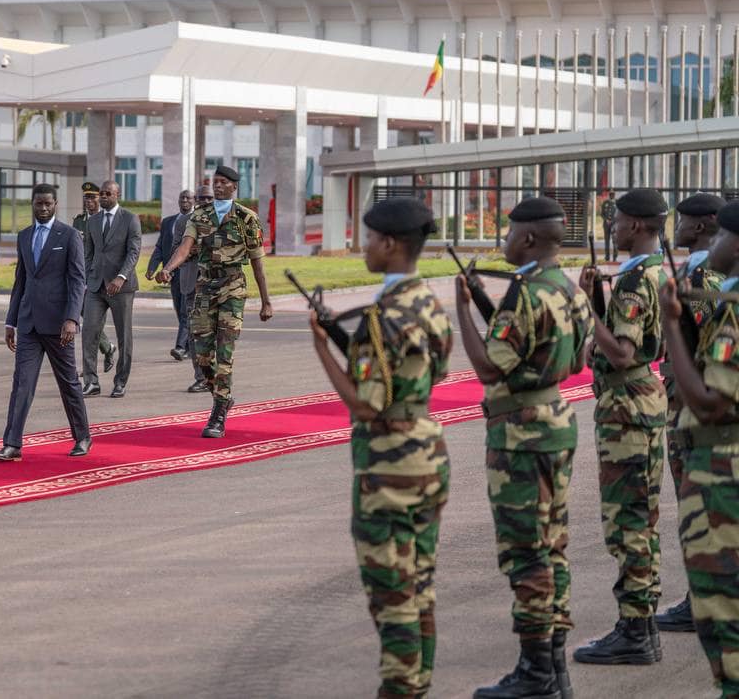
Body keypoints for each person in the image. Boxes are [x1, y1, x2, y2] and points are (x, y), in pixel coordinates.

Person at [308, 196, 452, 699]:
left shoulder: (383, 315)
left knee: (392, 593)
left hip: (390, 465)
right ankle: (418, 683)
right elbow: (430, 372)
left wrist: (322, 348)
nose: (364, 246)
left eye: (369, 238)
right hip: (427, 452)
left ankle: (401, 687)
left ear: (390, 244)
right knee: (419, 585)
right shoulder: (427, 301)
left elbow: (366, 405)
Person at [455, 196, 593, 699]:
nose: (504, 241)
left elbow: (490, 367)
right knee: (551, 544)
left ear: (529, 238)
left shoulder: (525, 294)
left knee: (525, 552)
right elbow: (573, 360)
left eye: (509, 233)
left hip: (521, 433)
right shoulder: (568, 288)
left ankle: (536, 673)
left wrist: (463, 308)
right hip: (556, 421)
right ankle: (554, 668)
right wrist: (487, 303)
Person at [574, 188, 669, 665]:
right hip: (642, 402)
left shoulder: (633, 282)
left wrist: (585, 306)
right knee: (641, 517)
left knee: (626, 520)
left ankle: (635, 630)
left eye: (617, 221)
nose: (612, 228)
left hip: (626, 407)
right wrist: (598, 296)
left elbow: (622, 352)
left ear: (635, 225)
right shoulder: (656, 272)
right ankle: (643, 625)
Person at [658, 202, 739, 698]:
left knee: (724, 616)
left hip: (723, 472)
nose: (715, 246)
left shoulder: (733, 312)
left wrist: (671, 326)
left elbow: (711, 404)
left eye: (722, 236)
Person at [155, 165, 274, 437]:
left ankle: (218, 414)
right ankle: (223, 396)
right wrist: (168, 268)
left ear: (234, 187)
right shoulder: (199, 215)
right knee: (202, 355)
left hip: (233, 288)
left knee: (224, 353)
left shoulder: (247, 218)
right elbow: (185, 247)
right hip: (205, 287)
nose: (218, 186)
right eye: (215, 182)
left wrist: (266, 301)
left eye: (223, 182)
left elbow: (258, 262)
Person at [657, 192, 724, 635]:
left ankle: (700, 598)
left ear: (699, 226)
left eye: (681, 220)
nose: (676, 228)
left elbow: (701, 338)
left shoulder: (700, 274)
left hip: (692, 403)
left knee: (695, 507)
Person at [0, 183, 91, 461]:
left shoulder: (69, 235)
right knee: (21, 384)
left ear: (55, 204)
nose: (44, 208)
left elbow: (77, 280)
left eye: (49, 204)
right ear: (33, 204)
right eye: (39, 203)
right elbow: (21, 281)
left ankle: (82, 437)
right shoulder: (24, 236)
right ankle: (12, 444)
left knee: (68, 383)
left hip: (59, 325)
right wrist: (11, 321)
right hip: (28, 325)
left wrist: (72, 318)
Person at [81, 179, 141, 398]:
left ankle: (120, 382)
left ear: (118, 195)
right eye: (102, 194)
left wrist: (121, 277)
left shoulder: (130, 219)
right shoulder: (93, 221)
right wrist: (88, 276)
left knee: (124, 336)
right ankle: (91, 382)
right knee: (89, 333)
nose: (104, 197)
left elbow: (133, 252)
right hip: (96, 287)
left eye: (108, 193)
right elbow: (88, 253)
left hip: (121, 287)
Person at [173, 186, 215, 393]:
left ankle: (215, 376)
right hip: (191, 284)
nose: (205, 201)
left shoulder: (222, 222)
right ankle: (201, 377)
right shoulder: (184, 222)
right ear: (195, 200)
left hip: (214, 286)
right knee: (193, 333)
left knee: (214, 333)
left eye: (209, 198)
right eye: (201, 198)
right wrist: (189, 252)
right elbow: (175, 249)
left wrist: (205, 250)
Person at [72, 181, 115, 374]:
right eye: (86, 198)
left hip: (101, 278)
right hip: (80, 276)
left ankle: (90, 367)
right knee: (87, 320)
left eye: (92, 197)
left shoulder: (107, 220)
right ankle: (107, 348)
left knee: (93, 323)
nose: (88, 201)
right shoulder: (79, 221)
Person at [147, 189, 195, 361]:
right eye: (182, 197)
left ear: (194, 201)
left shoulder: (197, 221)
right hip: (172, 274)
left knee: (185, 311)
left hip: (190, 273)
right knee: (179, 310)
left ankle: (180, 347)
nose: (185, 200)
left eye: (188, 198)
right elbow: (160, 247)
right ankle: (190, 346)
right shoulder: (168, 222)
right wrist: (152, 267)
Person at [601, 196, 618, 263]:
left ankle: (615, 257)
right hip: (606, 224)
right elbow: (602, 214)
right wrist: (606, 219)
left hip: (614, 224)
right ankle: (607, 257)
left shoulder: (617, 202)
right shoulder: (605, 203)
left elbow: (619, 214)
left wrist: (613, 220)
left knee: (615, 241)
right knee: (606, 241)